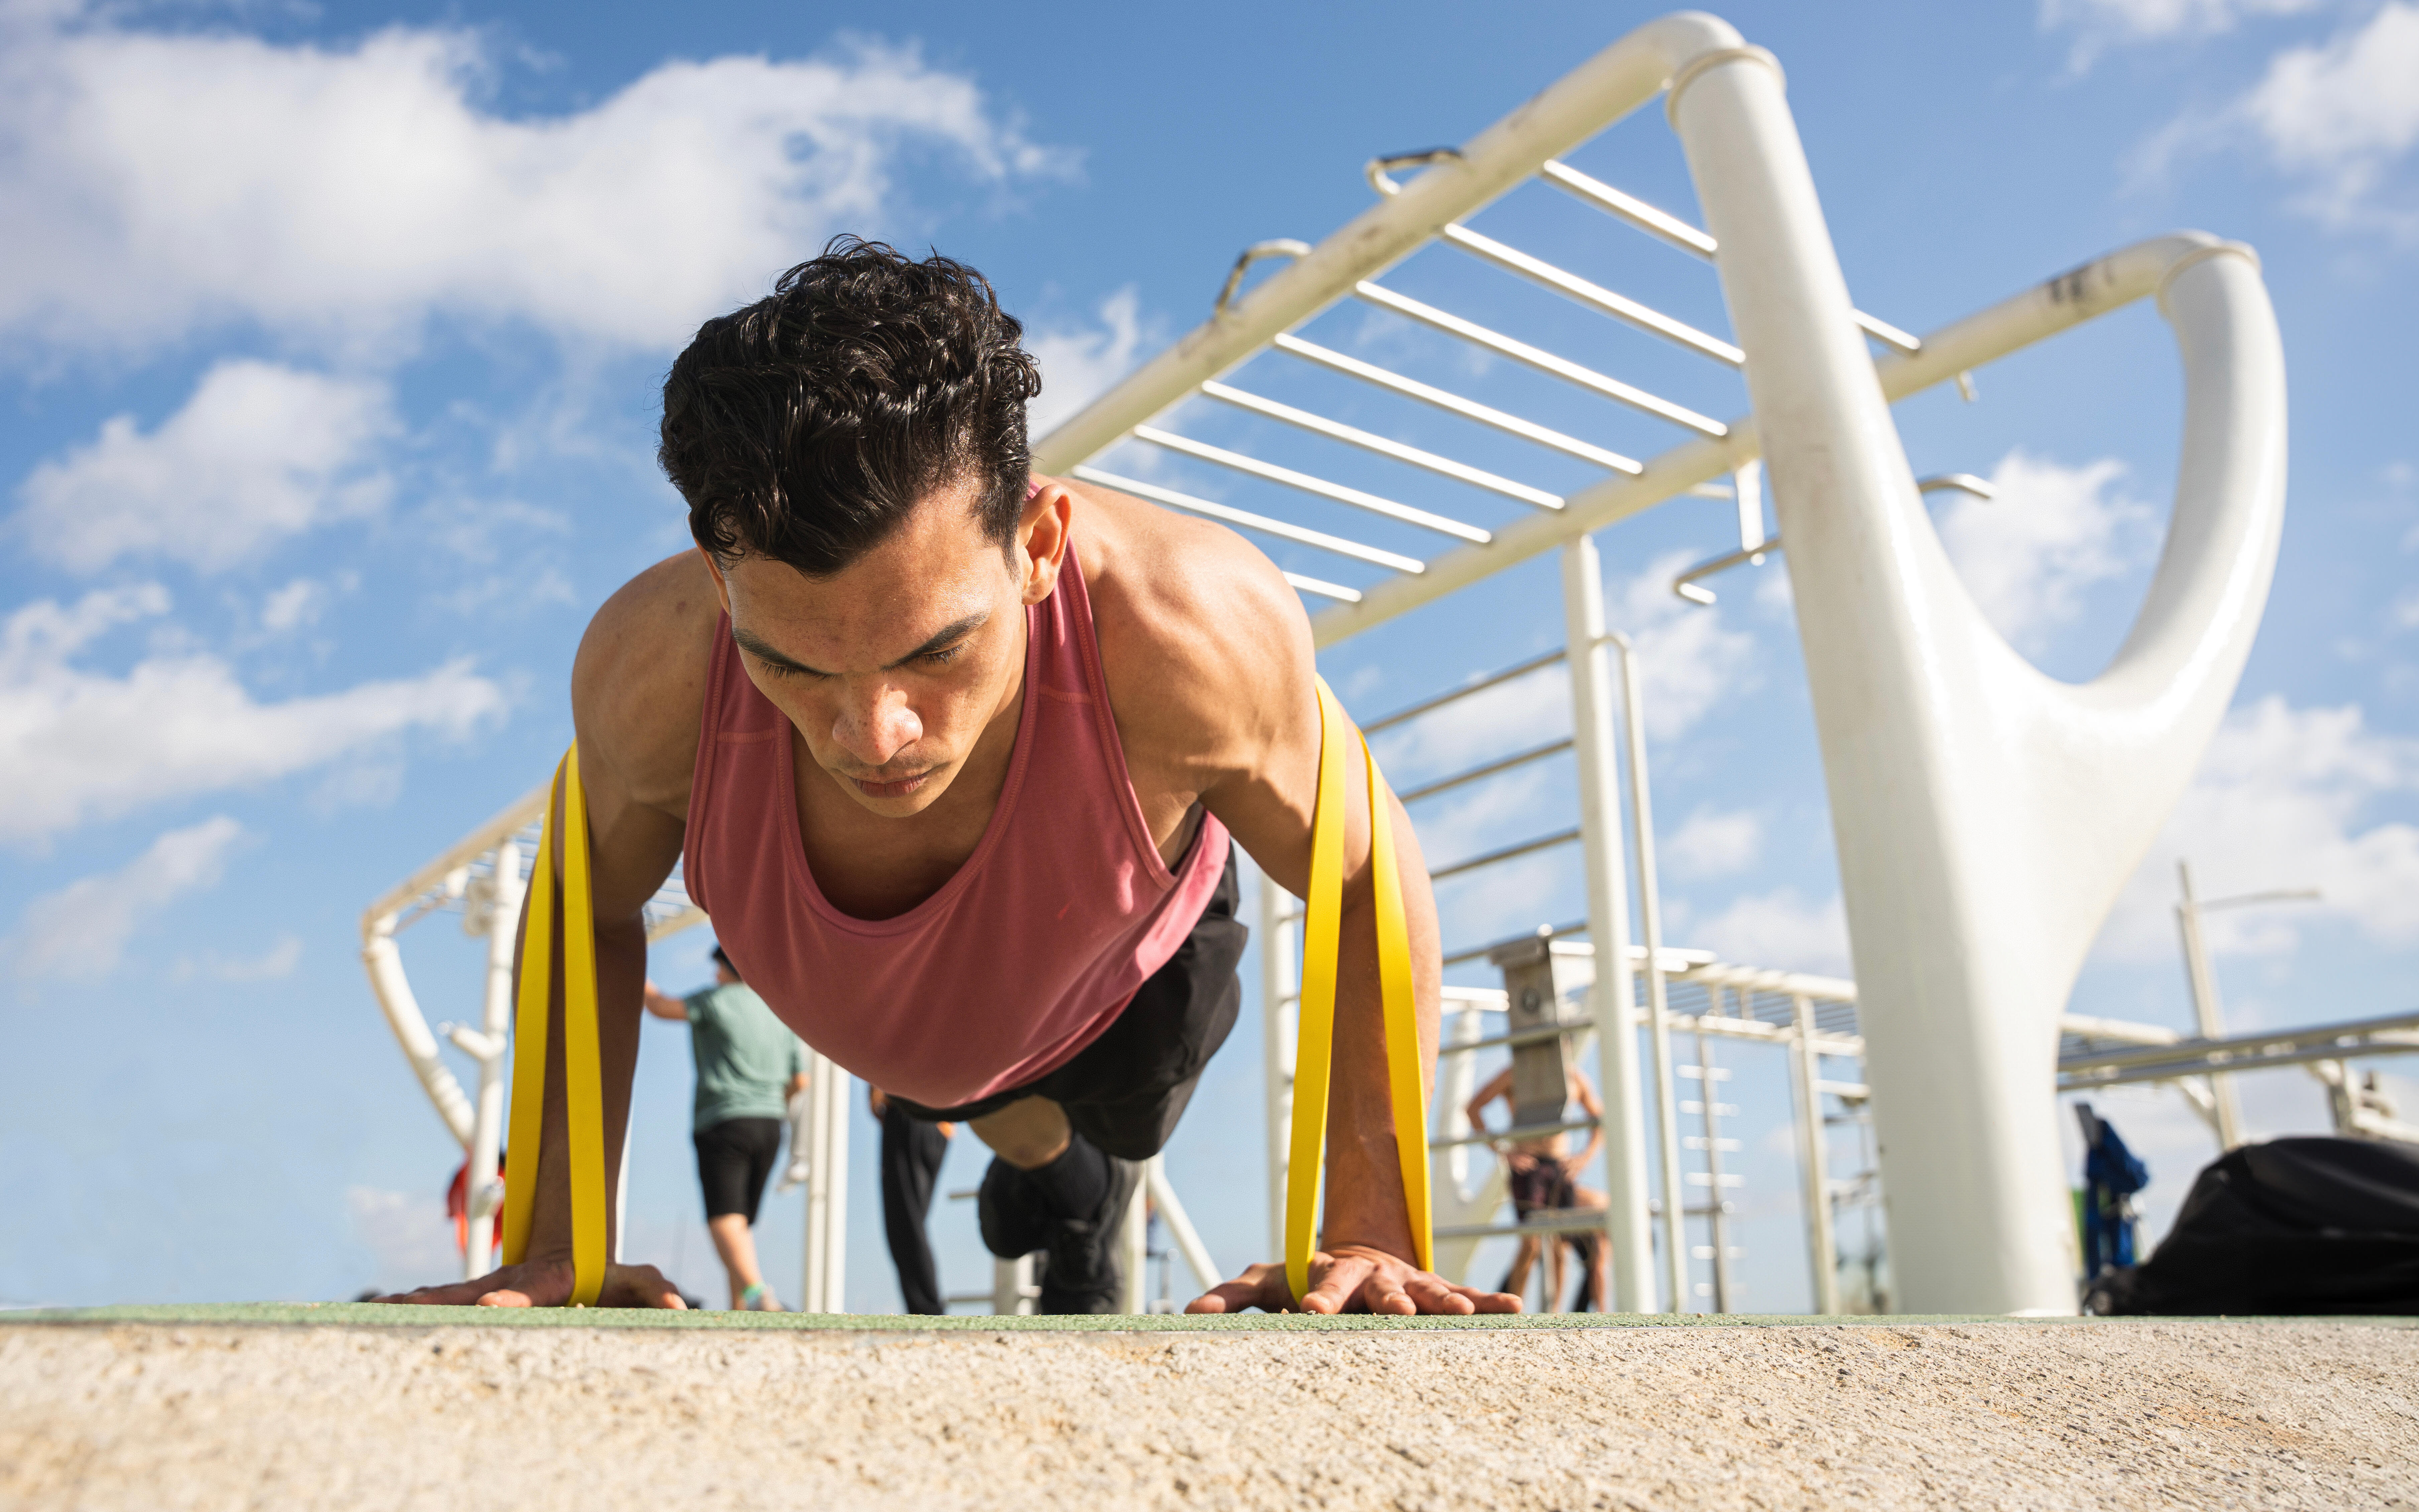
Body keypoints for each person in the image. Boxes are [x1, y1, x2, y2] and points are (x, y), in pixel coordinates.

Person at [381, 237, 1518, 1318]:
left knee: (1111, 1139)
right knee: (982, 1113)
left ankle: (1083, 1194)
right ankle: (1064, 1192)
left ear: (1039, 542)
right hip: (911, 1033)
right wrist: (550, 1244)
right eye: (791, 663)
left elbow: (1366, 869)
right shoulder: (650, 665)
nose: (873, 735)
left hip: (1128, 994)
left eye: (935, 650)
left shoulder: (1189, 626)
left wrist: (1376, 1235)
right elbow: (584, 901)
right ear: (723, 587)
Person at [642, 947, 809, 1310]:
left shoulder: (715, 1001)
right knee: (741, 1224)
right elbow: (801, 1080)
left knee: (725, 1218)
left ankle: (757, 1296)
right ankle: (740, 1309)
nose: (714, 975)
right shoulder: (778, 1011)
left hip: (725, 1120)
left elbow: (659, 1008)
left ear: (728, 967)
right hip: (769, 1126)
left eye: (717, 968)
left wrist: (627, 963)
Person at [1466, 1062, 1610, 1312]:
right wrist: (1502, 1150)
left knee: (1559, 1247)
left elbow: (1599, 1120)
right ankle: (1512, 1312)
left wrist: (1584, 1158)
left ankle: (1554, 1315)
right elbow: (1473, 1108)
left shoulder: (1575, 1078)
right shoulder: (1515, 1074)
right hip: (1528, 1167)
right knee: (1531, 1243)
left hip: (1561, 1167)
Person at [871, 1085, 954, 1315]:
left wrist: (877, 1096)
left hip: (909, 1112)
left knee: (905, 1225)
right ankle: (927, 1310)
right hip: (940, 1121)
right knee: (911, 1223)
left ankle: (928, 1312)